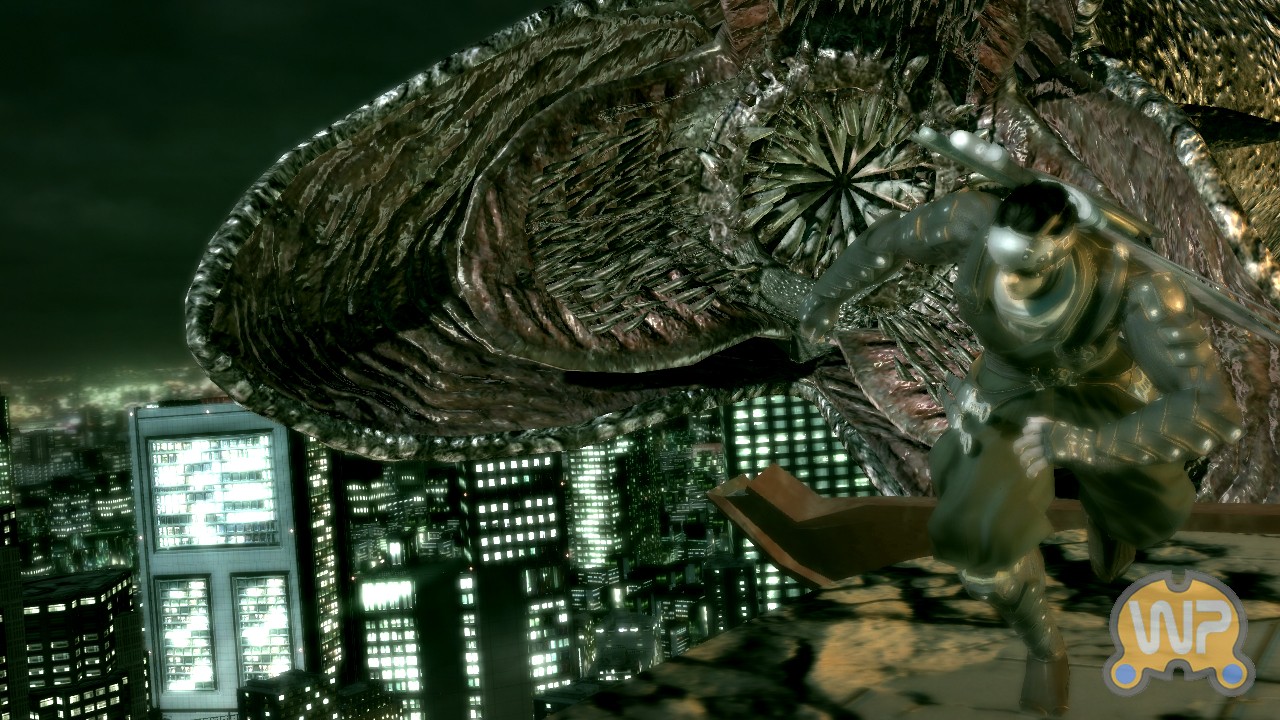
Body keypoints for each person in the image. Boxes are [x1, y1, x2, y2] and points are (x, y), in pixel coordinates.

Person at [797, 180, 1245, 716]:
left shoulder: (1136, 287)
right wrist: (827, 296)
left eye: (1029, 270)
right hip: (1004, 397)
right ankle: (1044, 648)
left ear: (1065, 250)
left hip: (1102, 394)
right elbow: (887, 242)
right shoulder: (971, 219)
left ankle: (1112, 516)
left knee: (1150, 515)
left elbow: (1212, 408)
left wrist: (1094, 446)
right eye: (1002, 261)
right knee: (982, 555)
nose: (1009, 281)